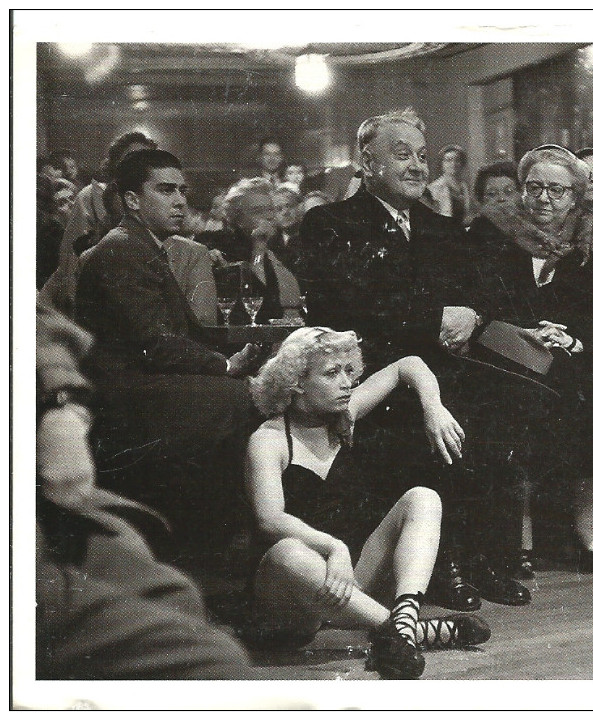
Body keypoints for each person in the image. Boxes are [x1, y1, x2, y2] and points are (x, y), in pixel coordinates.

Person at [298, 109, 529, 611]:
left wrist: (473, 315)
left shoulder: (441, 227)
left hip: (443, 363)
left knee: (504, 402)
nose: (416, 166)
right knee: (430, 413)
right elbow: (349, 306)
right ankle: (445, 563)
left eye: (422, 156)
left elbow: (482, 293)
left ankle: (483, 556)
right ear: (367, 160)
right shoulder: (329, 223)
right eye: (401, 154)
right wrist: (436, 317)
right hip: (374, 370)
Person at [245, 328, 490, 679]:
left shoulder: (346, 413)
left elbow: (410, 365)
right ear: (296, 382)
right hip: (289, 598)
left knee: (423, 498)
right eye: (332, 373)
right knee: (290, 552)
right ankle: (403, 632)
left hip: (345, 588)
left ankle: (402, 627)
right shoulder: (267, 439)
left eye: (349, 370)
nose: (346, 382)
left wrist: (433, 407)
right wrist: (335, 548)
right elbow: (270, 519)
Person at [36, 302, 257, 679]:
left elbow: (31, 319)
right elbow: (153, 343)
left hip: (38, 493)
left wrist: (63, 411)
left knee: (174, 593)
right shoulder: (122, 249)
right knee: (210, 663)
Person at [74, 149, 261, 551]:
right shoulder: (121, 250)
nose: (180, 201)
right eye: (165, 190)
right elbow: (156, 345)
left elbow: (186, 333)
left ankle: (232, 531)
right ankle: (232, 535)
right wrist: (225, 365)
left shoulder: (142, 245)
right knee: (245, 397)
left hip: (147, 384)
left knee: (253, 388)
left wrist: (235, 359)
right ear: (132, 200)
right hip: (127, 397)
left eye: (182, 190)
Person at [463, 144, 593, 575]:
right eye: (534, 188)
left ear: (576, 195)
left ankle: (585, 530)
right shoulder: (490, 235)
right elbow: (473, 301)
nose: (544, 199)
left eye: (556, 190)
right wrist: (523, 331)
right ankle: (520, 535)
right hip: (509, 357)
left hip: (575, 359)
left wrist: (574, 339)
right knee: (515, 413)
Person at [39, 131, 157, 314]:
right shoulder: (90, 197)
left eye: (148, 159)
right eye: (132, 158)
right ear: (116, 163)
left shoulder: (155, 200)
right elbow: (71, 260)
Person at [196, 177, 302, 324]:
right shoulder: (218, 245)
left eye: (271, 209)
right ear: (237, 218)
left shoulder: (286, 247)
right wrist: (259, 246)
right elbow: (255, 302)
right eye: (258, 211)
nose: (269, 216)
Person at [36, 175, 75, 289]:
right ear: (54, 210)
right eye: (63, 202)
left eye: (72, 198)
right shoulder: (52, 234)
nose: (71, 204)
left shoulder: (79, 228)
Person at [425, 144, 474, 224]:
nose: (453, 164)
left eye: (457, 160)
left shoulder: (465, 187)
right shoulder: (433, 189)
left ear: (462, 163)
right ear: (442, 164)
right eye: (448, 160)